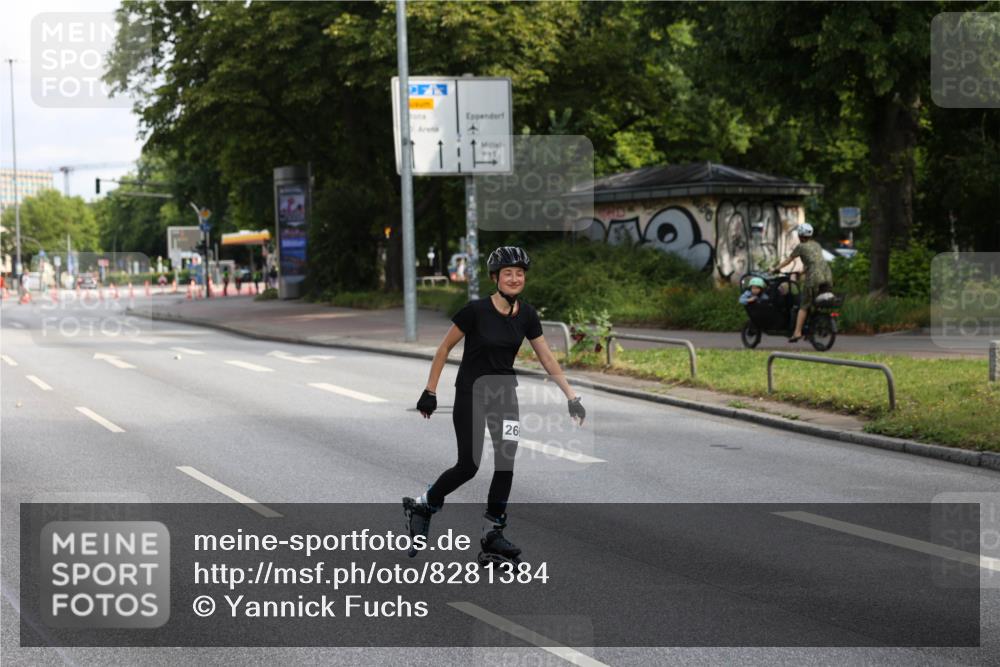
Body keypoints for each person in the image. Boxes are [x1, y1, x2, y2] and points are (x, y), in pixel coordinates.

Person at [403, 246, 586, 565]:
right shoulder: (475, 311)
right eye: (508, 273)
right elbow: (444, 348)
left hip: (505, 396)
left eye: (520, 273)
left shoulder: (527, 314)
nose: (515, 278)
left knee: (506, 462)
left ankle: (493, 533)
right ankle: (425, 503)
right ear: (495, 278)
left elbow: (546, 357)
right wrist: (430, 391)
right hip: (471, 394)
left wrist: (572, 397)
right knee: (468, 465)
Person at [774, 223, 833, 342]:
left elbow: (788, 260)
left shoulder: (801, 247)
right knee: (815, 301)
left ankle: (797, 332)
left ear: (800, 235)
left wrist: (776, 268)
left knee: (803, 306)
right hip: (827, 276)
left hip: (814, 278)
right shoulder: (816, 245)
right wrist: (802, 272)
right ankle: (814, 324)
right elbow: (815, 262)